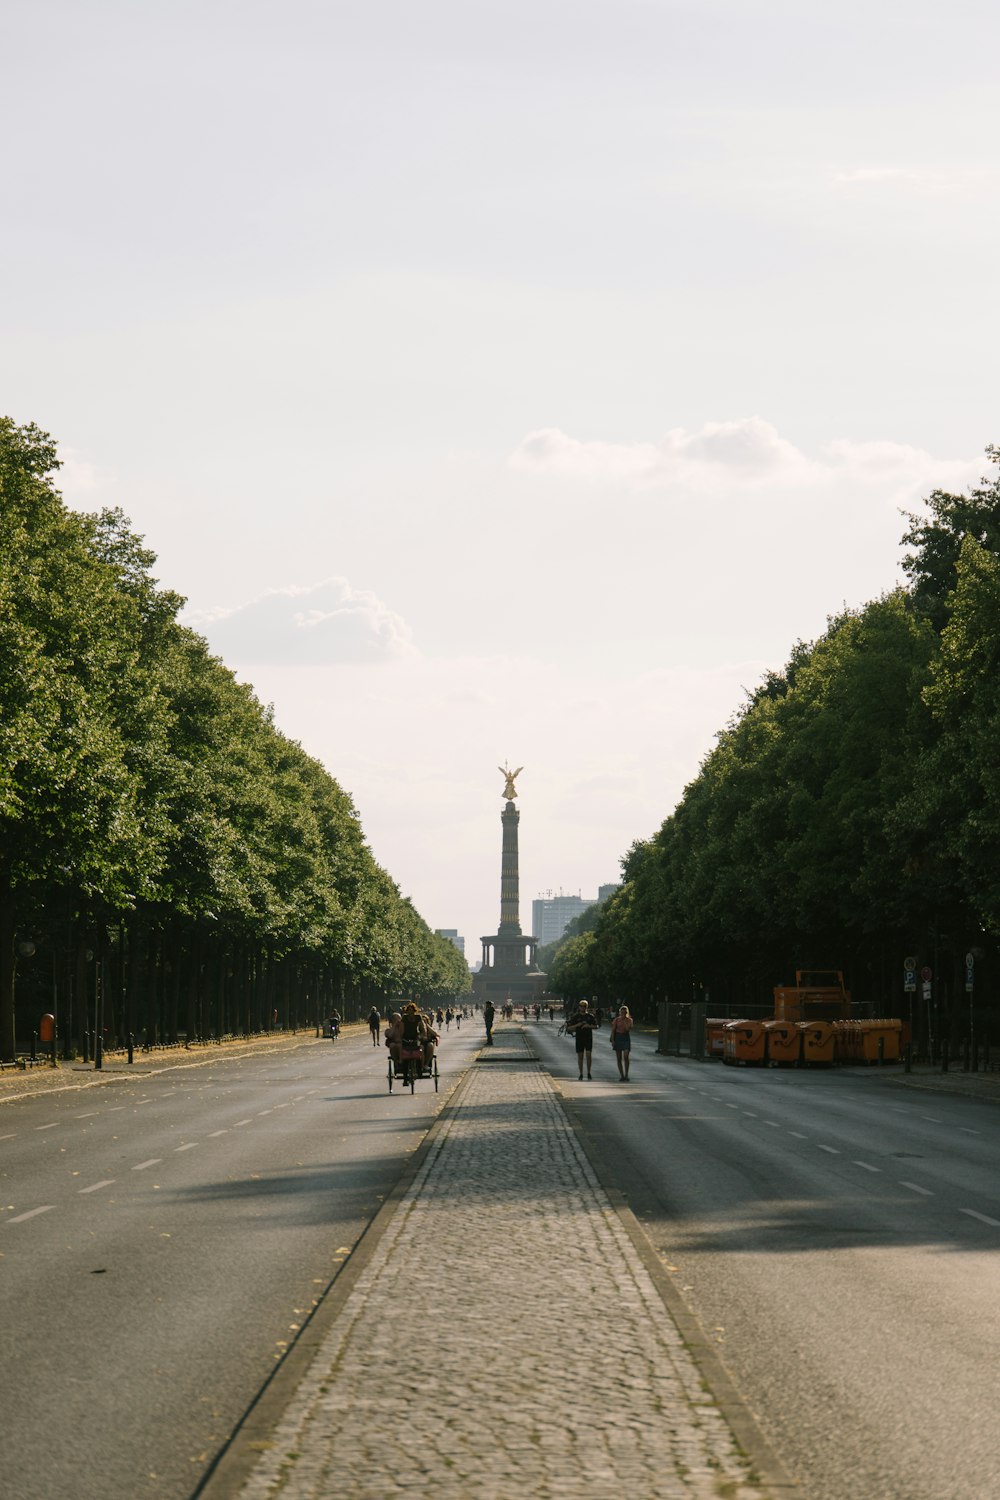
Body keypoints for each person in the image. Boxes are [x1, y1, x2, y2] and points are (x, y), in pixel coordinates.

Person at [568, 998, 598, 1079]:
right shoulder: (576, 1016)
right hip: (579, 1038)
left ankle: (588, 1072)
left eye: (584, 1006)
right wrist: (577, 1025)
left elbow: (596, 1026)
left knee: (588, 1055)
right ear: (579, 1007)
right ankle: (581, 1073)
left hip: (588, 1038)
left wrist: (589, 1026)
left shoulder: (590, 1016)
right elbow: (569, 1028)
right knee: (580, 1056)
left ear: (586, 1007)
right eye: (581, 1006)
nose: (582, 1008)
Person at [609, 1004, 633, 1080]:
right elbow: (613, 1030)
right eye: (622, 1012)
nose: (623, 1014)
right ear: (620, 1012)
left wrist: (624, 1020)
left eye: (625, 1012)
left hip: (625, 1037)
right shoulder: (616, 1020)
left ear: (627, 1013)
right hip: (618, 1037)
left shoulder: (629, 1020)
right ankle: (622, 1075)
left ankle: (626, 1074)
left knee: (626, 1056)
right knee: (619, 1058)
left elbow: (627, 1029)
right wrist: (613, 1040)